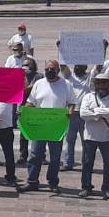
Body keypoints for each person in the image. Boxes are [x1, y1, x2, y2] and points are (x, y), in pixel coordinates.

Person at [18, 60, 74, 194]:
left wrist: (70, 112)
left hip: (56, 127)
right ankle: (32, 181)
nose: (50, 71)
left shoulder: (66, 84)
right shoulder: (39, 83)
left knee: (55, 157)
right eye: (47, 69)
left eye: (53, 69)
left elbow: (72, 103)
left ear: (58, 70)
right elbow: (31, 102)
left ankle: (53, 182)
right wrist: (24, 111)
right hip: (40, 125)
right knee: (35, 155)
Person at [79, 74, 109, 200]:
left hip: (107, 137)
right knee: (87, 163)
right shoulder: (88, 97)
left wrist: (94, 111)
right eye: (99, 83)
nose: (101, 85)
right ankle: (86, 187)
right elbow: (83, 114)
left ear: (108, 84)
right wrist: (99, 113)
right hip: (90, 136)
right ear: (95, 84)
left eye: (104, 83)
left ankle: (107, 188)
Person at [59, 63, 93, 170]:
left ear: (85, 67)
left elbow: (98, 67)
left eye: (80, 66)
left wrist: (103, 50)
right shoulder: (69, 76)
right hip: (71, 112)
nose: (77, 68)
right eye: (76, 66)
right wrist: (61, 48)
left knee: (86, 140)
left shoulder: (90, 77)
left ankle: (86, 163)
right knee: (69, 139)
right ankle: (68, 163)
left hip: (85, 114)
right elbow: (63, 66)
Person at [16, 57, 42, 164]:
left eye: (28, 65)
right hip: (23, 107)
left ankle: (41, 155)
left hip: (36, 107)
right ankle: (23, 155)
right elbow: (18, 91)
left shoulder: (39, 76)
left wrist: (31, 87)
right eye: (24, 65)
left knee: (39, 133)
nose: (26, 67)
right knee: (24, 134)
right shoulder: (20, 77)